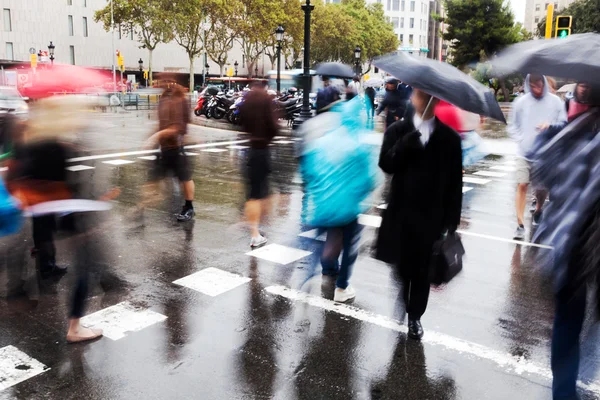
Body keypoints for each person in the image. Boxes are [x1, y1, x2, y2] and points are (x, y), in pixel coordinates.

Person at [527, 83, 600, 400]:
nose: (575, 94)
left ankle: (567, 389)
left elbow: (544, 174)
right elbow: (544, 173)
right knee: (571, 320)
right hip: (578, 245)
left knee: (574, 324)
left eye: (581, 88)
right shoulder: (571, 131)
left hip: (579, 242)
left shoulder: (575, 134)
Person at [376, 89, 463, 340]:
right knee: (404, 269)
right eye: (420, 95)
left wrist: (451, 222)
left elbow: (454, 183)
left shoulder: (449, 139)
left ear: (436, 101)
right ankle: (405, 297)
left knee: (423, 271)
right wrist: (404, 146)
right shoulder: (398, 131)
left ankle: (415, 316)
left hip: (431, 217)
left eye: (430, 96)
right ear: (414, 99)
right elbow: (386, 164)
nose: (425, 99)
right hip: (402, 213)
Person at [508, 74, 567, 240]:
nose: (537, 89)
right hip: (524, 153)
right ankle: (519, 225)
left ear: (544, 84)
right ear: (528, 84)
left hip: (544, 154)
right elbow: (513, 126)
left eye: (539, 85)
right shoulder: (520, 102)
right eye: (533, 86)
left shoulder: (556, 102)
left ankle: (539, 209)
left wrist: (550, 126)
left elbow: (564, 123)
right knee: (522, 185)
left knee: (541, 189)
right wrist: (521, 139)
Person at [142, 81, 195, 221]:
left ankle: (189, 207)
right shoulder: (164, 100)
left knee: (185, 178)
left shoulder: (181, 100)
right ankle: (139, 208)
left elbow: (178, 127)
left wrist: (155, 137)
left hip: (176, 147)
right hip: (164, 148)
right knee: (153, 179)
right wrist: (153, 135)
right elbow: (162, 124)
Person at [239, 81, 279, 247]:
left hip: (250, 149)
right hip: (262, 149)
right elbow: (274, 127)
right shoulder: (265, 100)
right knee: (257, 194)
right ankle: (255, 233)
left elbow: (242, 123)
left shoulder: (247, 101)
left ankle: (254, 226)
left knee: (255, 193)